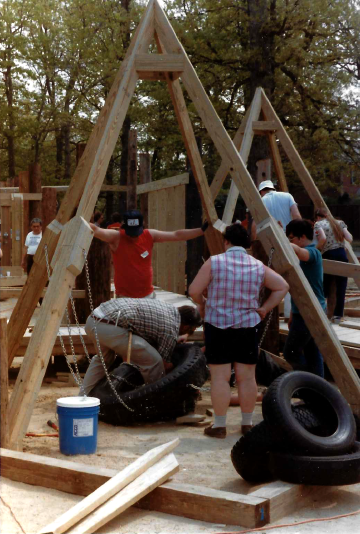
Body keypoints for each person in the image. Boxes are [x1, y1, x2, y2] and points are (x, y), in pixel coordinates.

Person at [188, 223, 289, 438]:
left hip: (217, 326)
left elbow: (194, 290)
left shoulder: (215, 262)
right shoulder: (257, 265)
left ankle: (220, 425)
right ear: (247, 244)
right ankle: (247, 423)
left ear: (226, 242)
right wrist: (264, 308)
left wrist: (203, 302)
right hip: (247, 326)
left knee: (220, 378)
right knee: (247, 377)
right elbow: (282, 286)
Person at [82, 298, 202, 395]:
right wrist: (179, 371)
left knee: (103, 360)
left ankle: (82, 397)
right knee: (154, 362)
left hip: (94, 320)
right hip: (111, 326)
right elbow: (164, 365)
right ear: (186, 327)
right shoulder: (171, 330)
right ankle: (157, 399)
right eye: (191, 330)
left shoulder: (169, 309)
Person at [90, 209, 208, 298]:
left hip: (148, 295)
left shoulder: (149, 235)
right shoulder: (116, 237)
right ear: (124, 227)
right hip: (125, 297)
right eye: (131, 232)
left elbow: (176, 235)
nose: (134, 235)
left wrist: (201, 230)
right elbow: (95, 230)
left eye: (136, 232)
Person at [284, 219, 327, 377]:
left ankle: (307, 384)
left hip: (310, 312)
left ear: (302, 237)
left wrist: (283, 242)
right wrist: (292, 315)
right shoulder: (307, 252)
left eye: (291, 238)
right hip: (304, 311)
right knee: (312, 352)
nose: (290, 241)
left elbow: (302, 253)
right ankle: (317, 391)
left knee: (290, 352)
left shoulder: (313, 252)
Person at [314, 208, 353, 324]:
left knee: (324, 285)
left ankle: (322, 312)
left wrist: (315, 249)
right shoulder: (339, 223)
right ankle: (337, 316)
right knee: (341, 287)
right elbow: (350, 238)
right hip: (341, 254)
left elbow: (322, 239)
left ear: (317, 217)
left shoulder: (318, 224)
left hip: (328, 255)